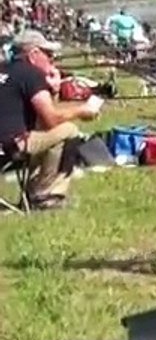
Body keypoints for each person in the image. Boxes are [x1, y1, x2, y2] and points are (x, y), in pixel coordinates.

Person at [0, 30, 102, 209]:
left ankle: (35, 191)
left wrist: (53, 90)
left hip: (7, 143)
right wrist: (82, 111)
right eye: (48, 54)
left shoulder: (5, 70)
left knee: (43, 135)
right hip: (9, 146)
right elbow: (51, 120)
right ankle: (46, 195)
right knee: (68, 130)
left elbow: (41, 121)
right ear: (33, 54)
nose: (52, 59)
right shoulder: (31, 74)